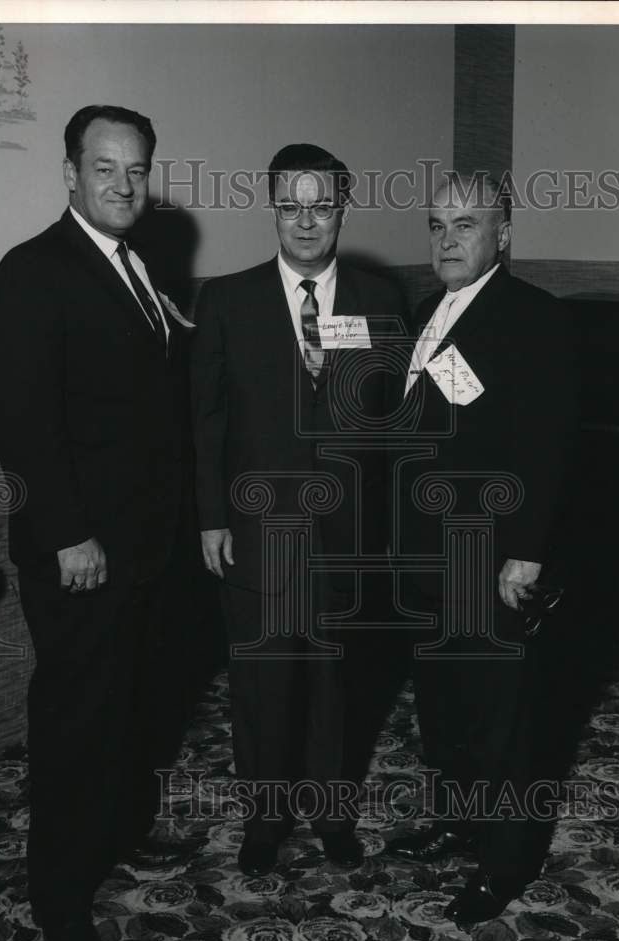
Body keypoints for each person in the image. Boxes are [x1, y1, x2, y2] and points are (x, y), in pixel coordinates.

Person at [0, 105, 197, 941]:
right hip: (80, 552)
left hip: (145, 547)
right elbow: (22, 420)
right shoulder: (33, 270)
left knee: (135, 706)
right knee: (76, 723)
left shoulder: (135, 265)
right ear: (69, 171)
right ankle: (61, 897)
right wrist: (69, 533)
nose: (123, 184)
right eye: (105, 167)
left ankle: (123, 830)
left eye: (137, 170)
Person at [191, 144, 404, 877]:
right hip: (254, 534)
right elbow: (206, 420)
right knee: (262, 685)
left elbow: (402, 422)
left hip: (348, 539)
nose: (307, 221)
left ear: (342, 208)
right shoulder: (226, 299)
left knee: (336, 685)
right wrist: (210, 518)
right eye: (291, 205)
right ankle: (265, 818)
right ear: (273, 210)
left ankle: (333, 814)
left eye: (321, 205)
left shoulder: (381, 298)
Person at [385, 172, 575, 924]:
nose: (447, 239)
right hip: (427, 554)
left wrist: (525, 553)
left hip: (494, 554)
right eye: (437, 224)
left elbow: (548, 444)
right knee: (446, 705)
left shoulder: (536, 317)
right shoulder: (430, 309)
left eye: (467, 224)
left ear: (505, 232)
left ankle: (507, 862)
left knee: (502, 716)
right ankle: (461, 819)